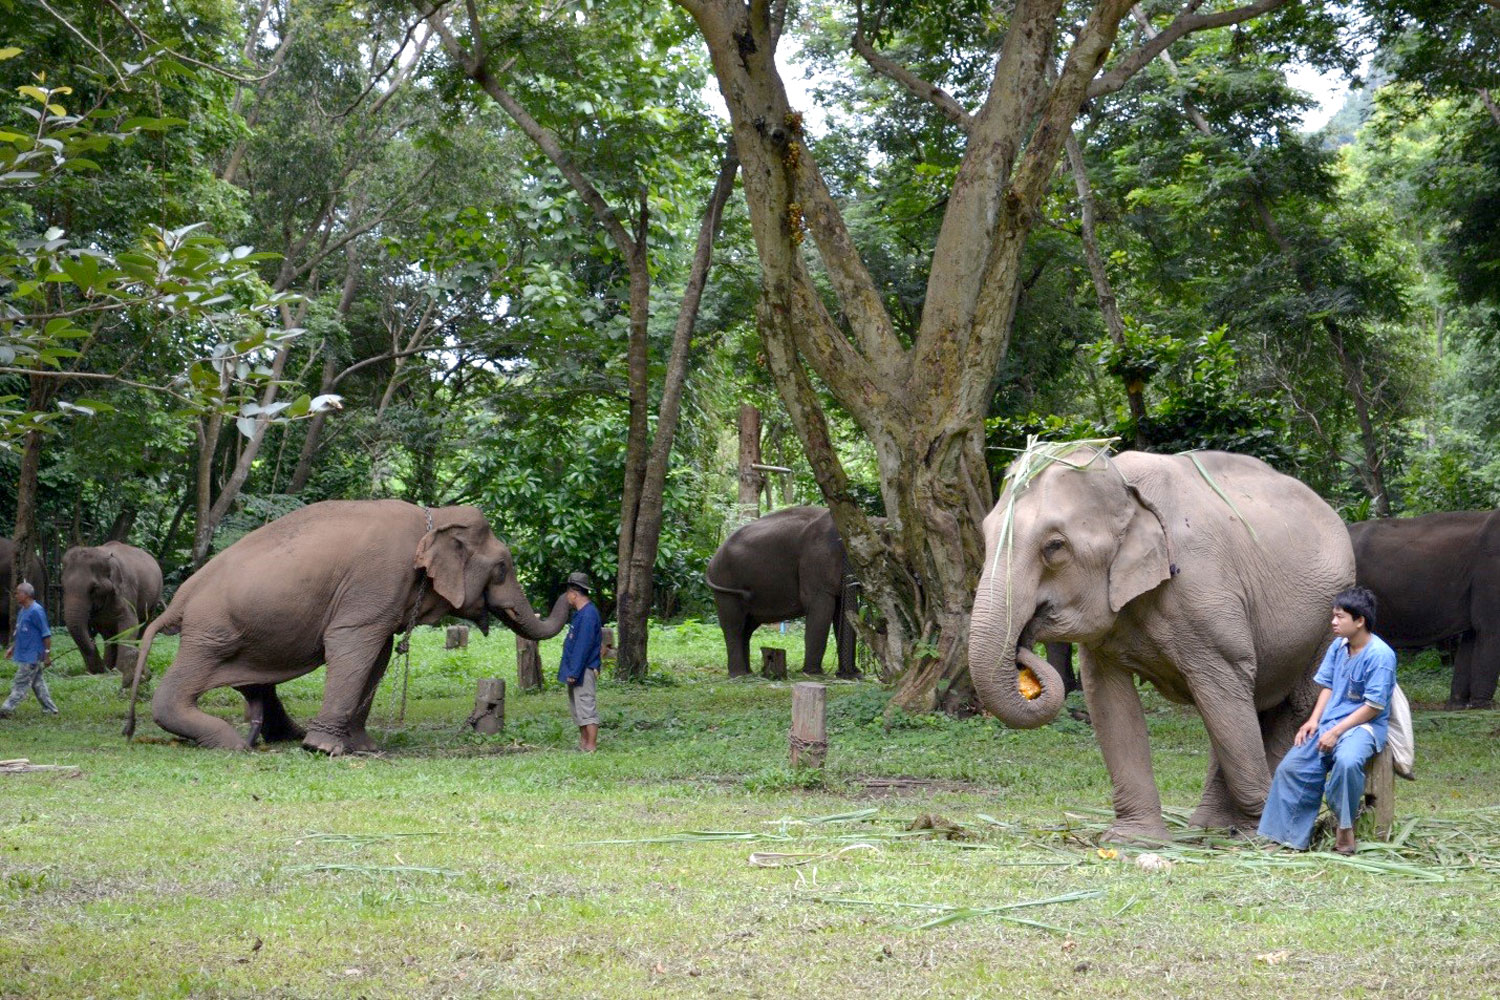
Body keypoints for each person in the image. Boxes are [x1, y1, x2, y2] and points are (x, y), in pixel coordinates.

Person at [1258, 586, 1396, 854]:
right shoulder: (1338, 646)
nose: (1333, 622)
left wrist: (1337, 731)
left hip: (1363, 727)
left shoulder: (1381, 656)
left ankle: (1345, 829)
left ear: (1360, 621)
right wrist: (1313, 721)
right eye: (1333, 616)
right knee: (1292, 766)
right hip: (1330, 723)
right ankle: (1287, 838)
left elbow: (1373, 706)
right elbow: (1328, 686)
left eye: (1339, 617)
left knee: (1346, 762)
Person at [556, 571, 601, 752]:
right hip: (576, 669)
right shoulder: (581, 614)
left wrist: (574, 672)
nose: (567, 598)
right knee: (578, 709)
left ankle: (591, 746)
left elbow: (583, 647)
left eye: (568, 594)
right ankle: (583, 743)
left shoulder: (589, 615)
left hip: (583, 669)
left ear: (574, 594)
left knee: (586, 707)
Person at [2, 581, 58, 718]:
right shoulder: (23, 611)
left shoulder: (36, 611)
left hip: (32, 656)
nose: (15, 595)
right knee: (37, 683)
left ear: (26, 595)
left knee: (20, 683)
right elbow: (21, 632)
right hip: (25, 653)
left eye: (17, 593)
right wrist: (13, 648)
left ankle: (5, 709)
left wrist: (47, 655)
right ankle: (50, 709)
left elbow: (46, 635)